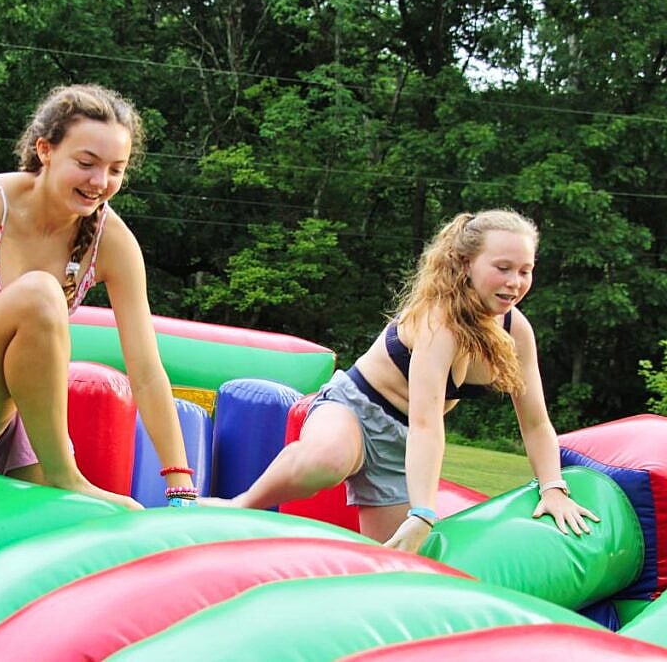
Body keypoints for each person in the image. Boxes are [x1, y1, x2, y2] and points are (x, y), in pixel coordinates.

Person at [0, 84, 196, 543]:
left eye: (116, 170)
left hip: (23, 408)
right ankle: (66, 475)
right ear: (45, 150)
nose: (100, 182)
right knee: (39, 293)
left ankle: (59, 478)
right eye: (86, 163)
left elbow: (147, 373)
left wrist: (181, 488)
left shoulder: (111, 241)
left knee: (66, 537)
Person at [201, 209, 599, 553]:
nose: (515, 281)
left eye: (525, 270)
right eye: (502, 268)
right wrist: (424, 511)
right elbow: (429, 424)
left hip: (402, 444)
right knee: (326, 461)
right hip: (354, 409)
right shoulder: (438, 321)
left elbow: (535, 422)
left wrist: (552, 487)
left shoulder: (516, 331)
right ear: (465, 264)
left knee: (394, 561)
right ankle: (242, 504)